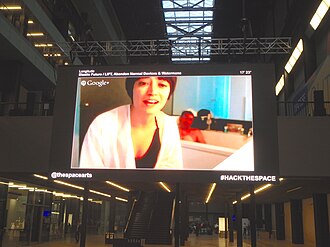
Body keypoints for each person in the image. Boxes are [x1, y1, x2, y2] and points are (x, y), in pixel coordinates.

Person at [80, 77, 183, 169]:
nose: (153, 92)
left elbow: (175, 171)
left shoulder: (170, 125)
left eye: (162, 85)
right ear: (131, 89)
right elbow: (88, 171)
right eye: (143, 83)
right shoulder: (102, 124)